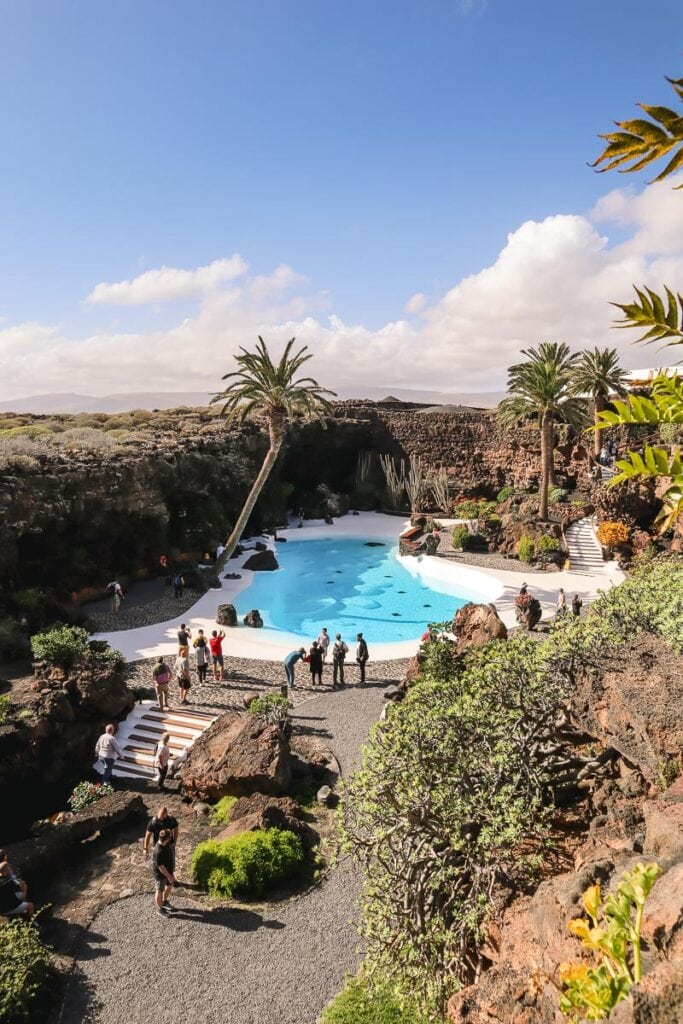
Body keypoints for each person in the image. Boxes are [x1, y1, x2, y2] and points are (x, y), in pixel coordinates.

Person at [151, 829, 176, 915]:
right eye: (170, 836)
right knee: (159, 890)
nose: (171, 838)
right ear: (167, 838)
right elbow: (161, 866)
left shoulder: (166, 843)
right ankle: (160, 909)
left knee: (170, 885)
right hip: (160, 874)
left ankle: (164, 901)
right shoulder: (158, 851)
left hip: (169, 871)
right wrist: (169, 876)